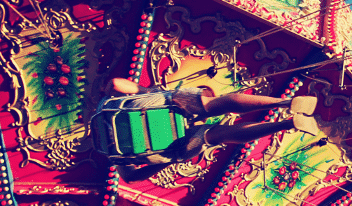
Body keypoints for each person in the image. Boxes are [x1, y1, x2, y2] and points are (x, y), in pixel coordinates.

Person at [102, 78, 318, 180]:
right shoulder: (103, 108)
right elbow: (116, 84)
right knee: (214, 105)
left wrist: (168, 163)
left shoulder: (114, 157)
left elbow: (132, 178)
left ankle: (287, 124)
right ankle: (285, 102)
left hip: (169, 147)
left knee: (219, 135)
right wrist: (149, 91)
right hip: (161, 109)